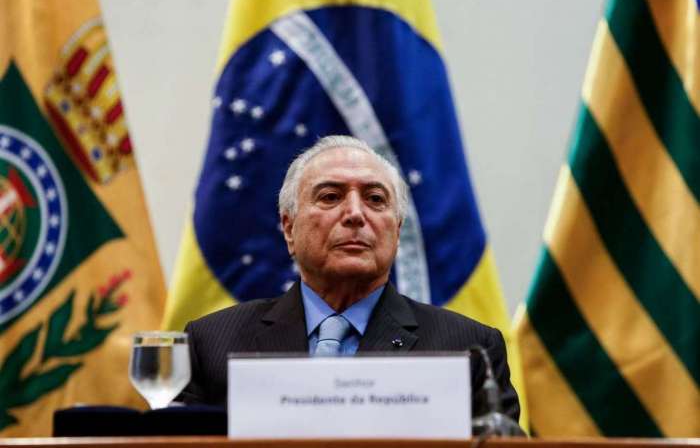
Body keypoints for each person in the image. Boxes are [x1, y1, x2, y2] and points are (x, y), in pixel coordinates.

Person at [180, 135, 520, 419]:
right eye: (330, 197)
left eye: (375, 199)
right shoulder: (211, 344)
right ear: (288, 229)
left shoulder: (468, 350)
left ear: (397, 230)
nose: (355, 214)